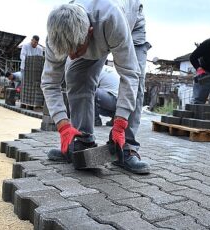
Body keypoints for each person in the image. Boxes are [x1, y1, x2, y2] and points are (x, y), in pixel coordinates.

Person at [41, 0, 151, 174]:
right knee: (76, 76)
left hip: (130, 23)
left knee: (136, 83)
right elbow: (50, 82)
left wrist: (120, 123)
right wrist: (63, 126)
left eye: (76, 50)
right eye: (67, 52)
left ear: (89, 33)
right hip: (99, 32)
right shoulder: (55, 37)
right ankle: (82, 140)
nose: (72, 55)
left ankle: (126, 147)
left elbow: (129, 74)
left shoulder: (111, 19)